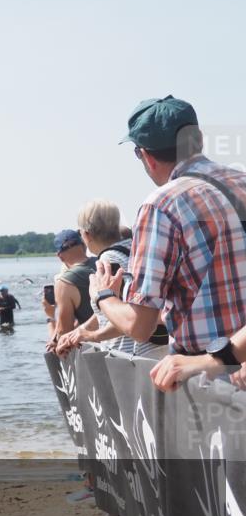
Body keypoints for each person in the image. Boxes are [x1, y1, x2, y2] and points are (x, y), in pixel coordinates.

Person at [91, 96, 246, 369]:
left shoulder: (161, 205)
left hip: (206, 376)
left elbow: (140, 326)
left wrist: (104, 296)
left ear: (146, 157)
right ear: (198, 139)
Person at [56, 201, 167, 358]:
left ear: (87, 234)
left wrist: (91, 336)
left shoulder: (108, 262)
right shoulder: (133, 248)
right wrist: (79, 331)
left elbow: (133, 316)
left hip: (129, 356)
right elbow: (111, 309)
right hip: (156, 350)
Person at [44, 229, 97, 351]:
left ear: (60, 257)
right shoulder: (103, 261)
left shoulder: (64, 282)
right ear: (84, 246)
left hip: (94, 352)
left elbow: (63, 333)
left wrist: (50, 317)